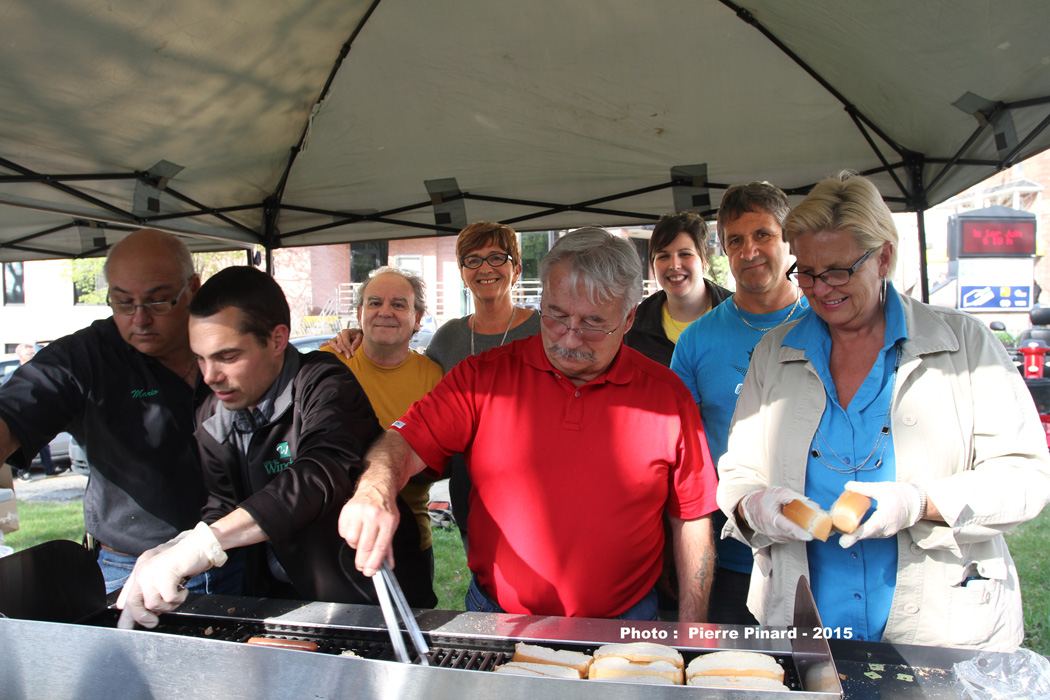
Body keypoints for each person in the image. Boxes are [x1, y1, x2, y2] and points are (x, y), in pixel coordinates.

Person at [717, 172, 1050, 650]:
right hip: (808, 621)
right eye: (806, 272)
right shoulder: (774, 353)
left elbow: (1025, 478)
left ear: (884, 258)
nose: (820, 289)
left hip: (942, 626)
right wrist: (755, 506)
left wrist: (919, 503)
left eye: (838, 271)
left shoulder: (965, 344)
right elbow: (739, 471)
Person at [339, 227, 719, 622]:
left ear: (628, 319)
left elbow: (692, 517)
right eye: (556, 316)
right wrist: (375, 491)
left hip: (626, 620)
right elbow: (404, 442)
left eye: (592, 324)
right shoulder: (482, 377)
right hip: (498, 616)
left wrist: (694, 627)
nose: (569, 340)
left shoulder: (667, 396)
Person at [117, 266, 434, 629]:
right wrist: (180, 546)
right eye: (200, 358)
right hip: (281, 599)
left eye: (227, 356)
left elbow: (320, 473)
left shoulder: (322, 381)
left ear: (278, 340)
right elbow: (223, 504)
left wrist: (206, 543)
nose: (210, 376)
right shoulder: (213, 411)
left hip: (370, 590)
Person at [0, 229, 240, 595]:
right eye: (123, 303)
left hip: (241, 554)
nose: (139, 319)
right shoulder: (84, 358)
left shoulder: (228, 341)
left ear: (193, 287)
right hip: (134, 568)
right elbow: (18, 406)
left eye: (157, 301)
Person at [670, 182, 810, 625]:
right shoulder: (696, 340)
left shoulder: (827, 323)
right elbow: (679, 453)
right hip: (731, 554)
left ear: (788, 239)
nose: (749, 251)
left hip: (816, 551)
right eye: (735, 240)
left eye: (763, 235)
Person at [321, 267, 444, 587]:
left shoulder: (434, 377)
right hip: (329, 538)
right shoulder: (329, 363)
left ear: (418, 319)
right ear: (360, 313)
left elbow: (441, 465)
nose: (385, 311)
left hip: (407, 538)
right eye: (374, 303)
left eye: (398, 304)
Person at [624, 212, 731, 366]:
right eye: (663, 256)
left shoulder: (738, 314)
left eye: (685, 254)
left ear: (704, 262)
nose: (674, 265)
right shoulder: (634, 326)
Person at [5, 344, 67, 480]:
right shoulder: (12, 376)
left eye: (34, 353)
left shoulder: (39, 372)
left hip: (37, 419)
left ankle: (49, 469)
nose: (33, 356)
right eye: (30, 354)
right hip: (20, 422)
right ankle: (22, 473)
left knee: (43, 446)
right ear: (21, 357)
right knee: (21, 449)